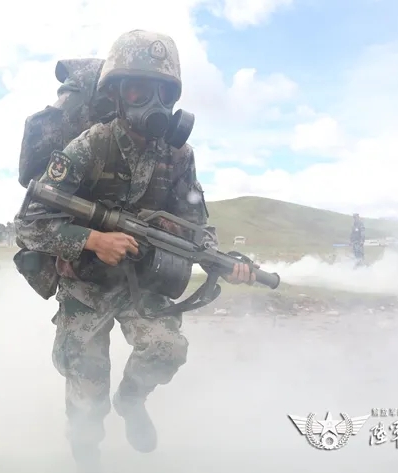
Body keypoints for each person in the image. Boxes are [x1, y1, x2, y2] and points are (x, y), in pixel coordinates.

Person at [15, 29, 256, 473]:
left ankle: (131, 400)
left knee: (167, 348)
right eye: (138, 90)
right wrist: (93, 240)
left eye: (164, 92)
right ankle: (86, 450)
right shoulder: (91, 145)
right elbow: (29, 224)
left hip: (143, 282)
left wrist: (222, 261)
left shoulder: (178, 155)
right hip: (86, 284)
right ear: (117, 94)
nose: (153, 103)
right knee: (86, 391)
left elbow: (195, 225)